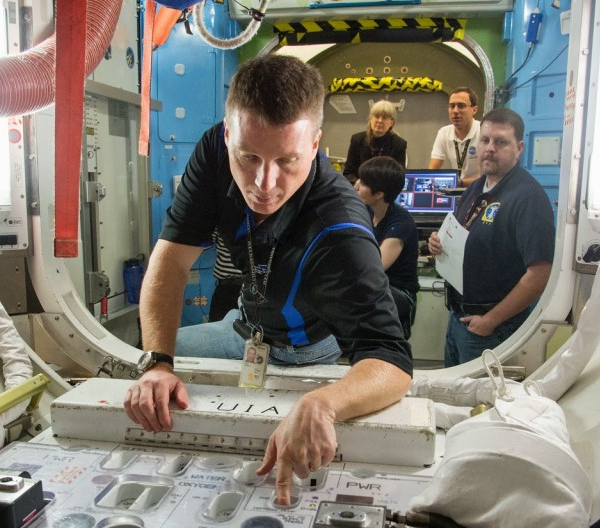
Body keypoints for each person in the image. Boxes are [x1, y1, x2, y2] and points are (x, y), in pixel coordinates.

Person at [125, 55, 413, 505]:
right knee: (138, 371)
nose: (264, 182)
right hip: (243, 326)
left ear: (315, 144)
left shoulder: (341, 228)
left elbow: (393, 363)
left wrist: (323, 403)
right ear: (227, 134)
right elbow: (172, 259)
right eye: (249, 157)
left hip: (309, 350)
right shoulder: (215, 151)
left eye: (287, 160)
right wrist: (158, 363)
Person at [427, 108, 554, 367]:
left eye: (501, 142)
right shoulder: (477, 187)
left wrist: (491, 320)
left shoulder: (528, 198)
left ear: (519, 148)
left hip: (491, 328)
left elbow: (539, 273)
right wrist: (438, 242)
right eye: (485, 140)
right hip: (459, 318)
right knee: (454, 400)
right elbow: (464, 235)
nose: (490, 148)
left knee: (480, 404)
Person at [354, 157, 420, 339]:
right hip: (373, 288)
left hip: (398, 292)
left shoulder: (401, 222)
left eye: (364, 182)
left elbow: (375, 268)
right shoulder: (366, 212)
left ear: (378, 194)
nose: (357, 185)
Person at [341, 100, 407, 185]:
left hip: (385, 190)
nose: (380, 121)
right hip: (360, 188)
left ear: (391, 122)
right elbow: (348, 173)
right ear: (371, 119)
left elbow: (399, 176)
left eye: (384, 117)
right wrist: (359, 183)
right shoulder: (357, 140)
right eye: (376, 116)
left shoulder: (399, 144)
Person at [428, 86, 481, 187]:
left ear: (474, 110)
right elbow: (432, 172)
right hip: (455, 190)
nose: (455, 111)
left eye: (461, 106)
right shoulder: (443, 132)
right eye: (452, 106)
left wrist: (459, 183)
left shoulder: (483, 131)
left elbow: (485, 178)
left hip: (478, 190)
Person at [208, 229, 242, 322]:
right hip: (228, 288)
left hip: (228, 286)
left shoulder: (219, 221)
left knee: (217, 328)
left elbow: (206, 242)